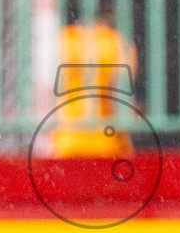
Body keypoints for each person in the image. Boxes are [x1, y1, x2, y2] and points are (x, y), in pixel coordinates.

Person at [48, 8, 139, 157]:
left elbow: (47, 92)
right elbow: (120, 100)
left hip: (65, 142)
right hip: (107, 143)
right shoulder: (118, 42)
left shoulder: (62, 39)